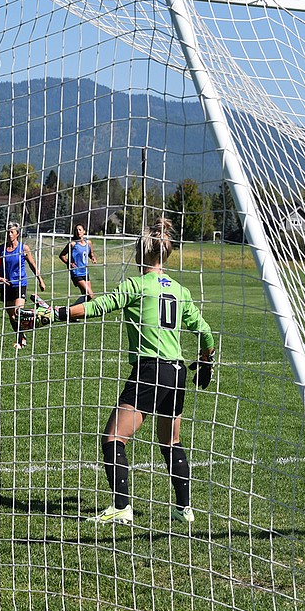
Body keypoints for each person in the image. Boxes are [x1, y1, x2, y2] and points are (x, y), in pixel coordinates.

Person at [53, 218, 216, 525]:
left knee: (113, 437)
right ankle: (184, 509)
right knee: (171, 442)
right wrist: (207, 361)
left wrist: (56, 313)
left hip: (150, 370)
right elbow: (205, 332)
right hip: (177, 372)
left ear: (141, 254)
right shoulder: (180, 290)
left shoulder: (136, 286)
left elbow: (96, 307)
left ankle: (121, 506)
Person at [0, 222, 46, 349]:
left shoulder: (23, 248)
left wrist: (40, 280)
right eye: (8, 232)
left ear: (17, 234)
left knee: (18, 312)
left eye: (12, 232)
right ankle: (22, 335)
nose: (9, 234)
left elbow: (32, 264)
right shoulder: (0, 249)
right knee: (11, 315)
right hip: (6, 285)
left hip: (20, 283)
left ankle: (20, 340)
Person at [59, 223, 98, 299]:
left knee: (87, 297)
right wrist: (68, 263)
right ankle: (69, 310)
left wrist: (93, 258)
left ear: (84, 231)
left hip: (85, 272)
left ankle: (75, 309)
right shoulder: (73, 244)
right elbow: (62, 255)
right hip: (76, 272)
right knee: (90, 294)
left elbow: (91, 254)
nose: (78, 231)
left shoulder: (88, 243)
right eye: (76, 230)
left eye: (80, 230)